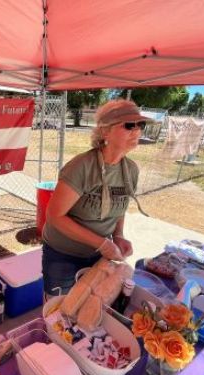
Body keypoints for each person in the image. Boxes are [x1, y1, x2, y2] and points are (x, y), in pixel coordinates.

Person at [42, 99, 150, 296]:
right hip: (63, 255)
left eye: (140, 125)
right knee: (58, 311)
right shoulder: (82, 166)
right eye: (128, 125)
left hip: (99, 254)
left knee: (89, 307)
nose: (136, 131)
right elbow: (54, 216)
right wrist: (102, 243)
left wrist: (118, 235)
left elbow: (121, 205)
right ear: (105, 131)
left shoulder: (131, 169)